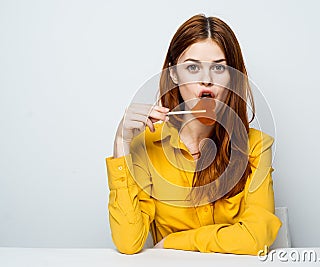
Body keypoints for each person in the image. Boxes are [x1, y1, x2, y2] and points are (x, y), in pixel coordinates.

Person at [105, 14, 282, 256]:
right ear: (174, 75)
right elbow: (128, 242)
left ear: (233, 77)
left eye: (219, 68)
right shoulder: (147, 145)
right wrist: (121, 143)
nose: (206, 80)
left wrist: (174, 242)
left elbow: (256, 238)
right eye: (192, 67)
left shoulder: (256, 146)